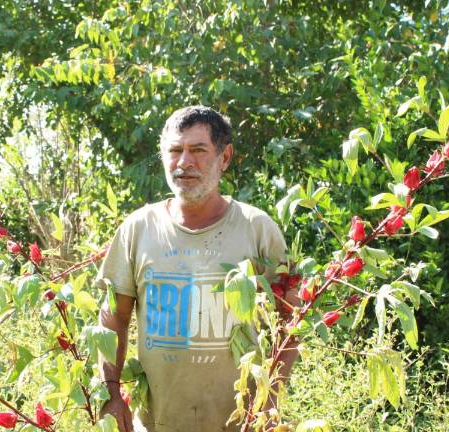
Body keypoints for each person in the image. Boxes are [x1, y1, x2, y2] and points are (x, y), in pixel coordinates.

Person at [97, 106, 299, 432]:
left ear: (225, 157)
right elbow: (113, 318)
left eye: (198, 150)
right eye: (175, 151)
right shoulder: (138, 229)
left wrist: (270, 397)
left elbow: (292, 318)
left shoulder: (257, 229)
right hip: (155, 424)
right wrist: (110, 392)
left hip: (241, 425)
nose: (184, 163)